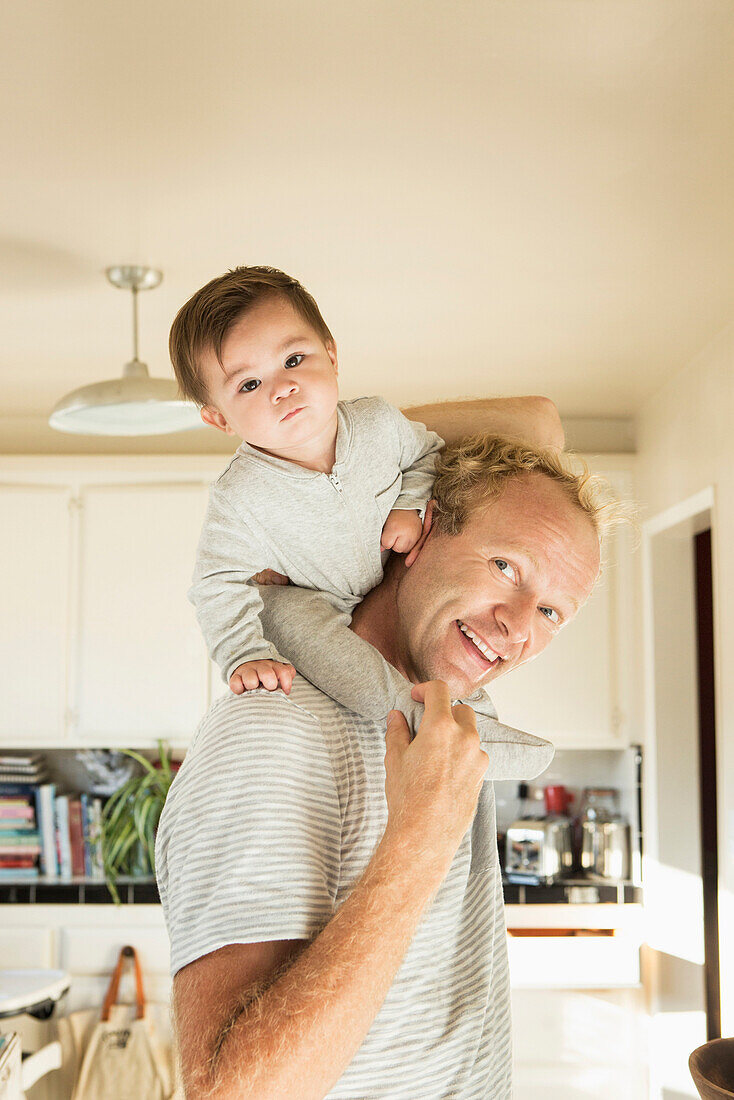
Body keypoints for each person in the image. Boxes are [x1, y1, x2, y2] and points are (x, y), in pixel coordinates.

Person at [156, 433, 622, 1099]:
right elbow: (229, 1092)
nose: (518, 626)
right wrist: (418, 842)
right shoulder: (271, 728)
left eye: (550, 610)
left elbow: (539, 419)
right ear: (421, 529)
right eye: (506, 566)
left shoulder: (448, 725)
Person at [168, 265, 564, 696]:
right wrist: (242, 653)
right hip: (316, 603)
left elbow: (426, 453)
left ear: (332, 357)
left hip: (396, 592)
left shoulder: (378, 422)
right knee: (334, 657)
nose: (282, 387)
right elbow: (216, 583)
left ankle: (472, 716)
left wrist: (408, 505)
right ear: (219, 418)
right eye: (249, 384)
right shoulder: (240, 496)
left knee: (450, 653)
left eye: (294, 360)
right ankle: (405, 710)